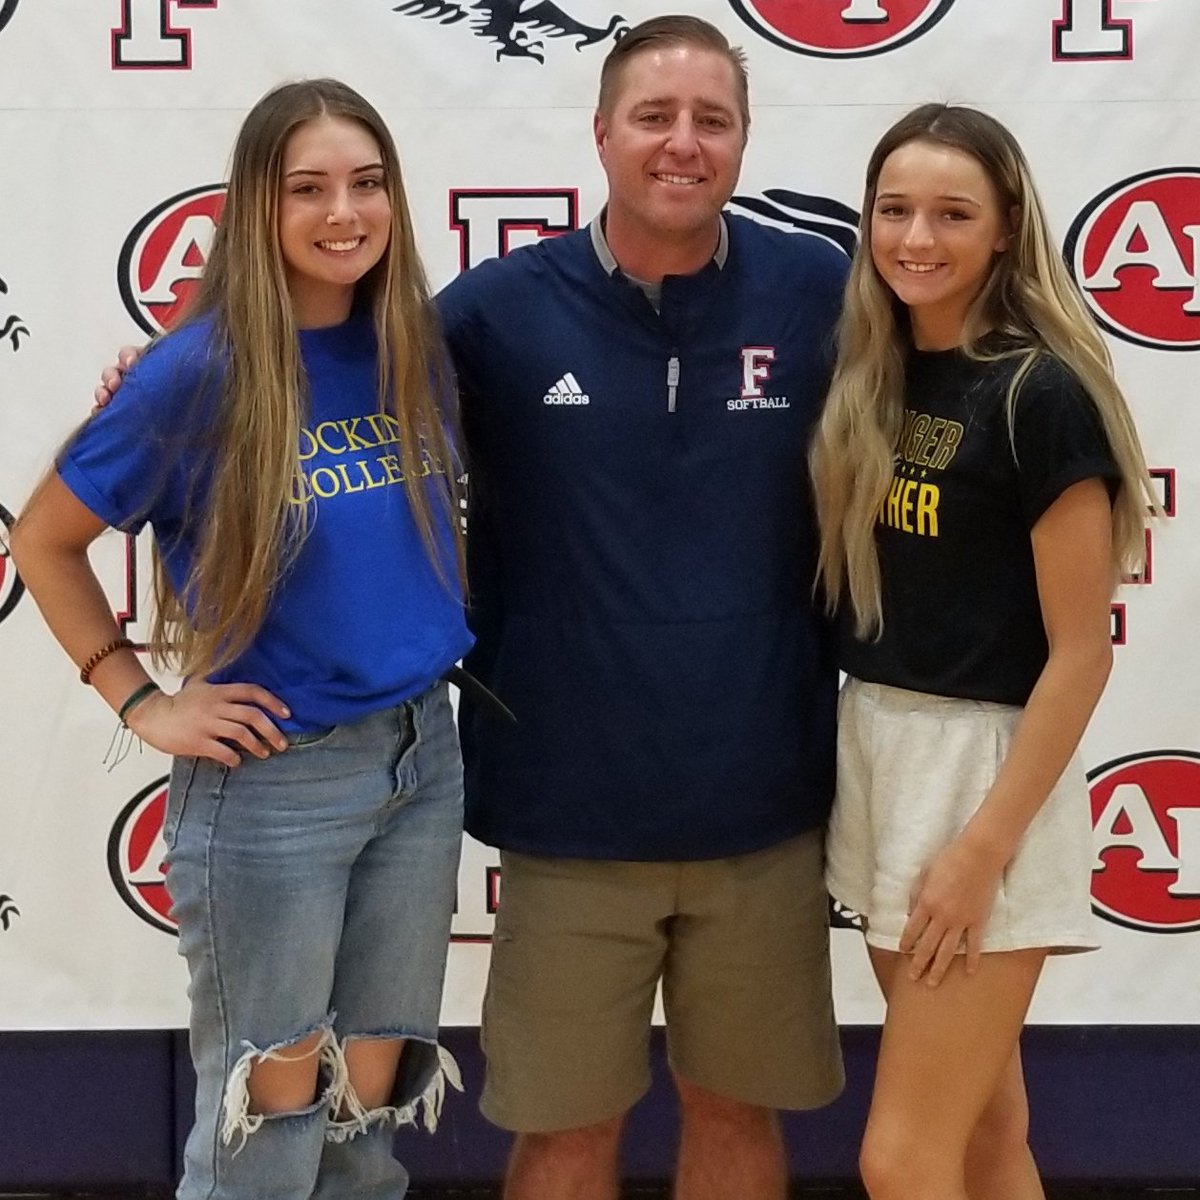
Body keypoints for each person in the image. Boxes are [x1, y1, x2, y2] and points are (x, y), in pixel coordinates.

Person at [94, 19, 847, 1199]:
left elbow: (954, 365)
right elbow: (315, 355)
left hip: (763, 800)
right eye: (654, 116)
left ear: (747, 139)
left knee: (733, 1113)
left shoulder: (820, 289)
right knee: (555, 1131)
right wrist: (165, 376)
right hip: (562, 812)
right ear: (601, 133)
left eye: (714, 119)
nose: (683, 144)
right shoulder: (495, 311)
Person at [13, 79, 471, 1200]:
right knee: (266, 1124)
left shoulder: (412, 343)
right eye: (306, 188)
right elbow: (43, 539)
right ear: (256, 207)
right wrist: (139, 698)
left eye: (366, 184)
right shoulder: (197, 369)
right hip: (277, 782)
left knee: (372, 1106)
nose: (343, 212)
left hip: (422, 759)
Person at [808, 104, 1155, 1200]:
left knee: (900, 1158)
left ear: (1006, 228)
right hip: (879, 749)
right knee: (983, 1133)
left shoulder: (1039, 392)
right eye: (895, 209)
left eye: (952, 213)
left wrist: (978, 849)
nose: (917, 236)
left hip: (984, 777)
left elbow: (1080, 654)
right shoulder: (875, 374)